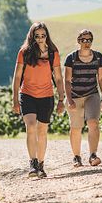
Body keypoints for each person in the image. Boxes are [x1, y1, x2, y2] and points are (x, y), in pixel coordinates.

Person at [12, 22, 66, 178]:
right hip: (27, 95)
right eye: (37, 36)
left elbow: (58, 77)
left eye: (43, 36)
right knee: (30, 127)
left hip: (46, 96)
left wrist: (61, 99)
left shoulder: (52, 53)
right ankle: (33, 163)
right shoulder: (24, 52)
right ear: (32, 37)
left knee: (42, 131)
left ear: (47, 36)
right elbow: (17, 77)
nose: (40, 39)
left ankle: (41, 165)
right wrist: (15, 99)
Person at [64, 29, 102, 168]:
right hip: (75, 95)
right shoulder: (71, 58)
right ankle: (77, 157)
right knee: (76, 127)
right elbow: (67, 80)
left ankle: (93, 155)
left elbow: (101, 78)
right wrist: (69, 98)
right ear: (78, 41)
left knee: (93, 122)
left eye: (89, 40)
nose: (86, 42)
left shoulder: (98, 57)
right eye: (83, 40)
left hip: (92, 94)